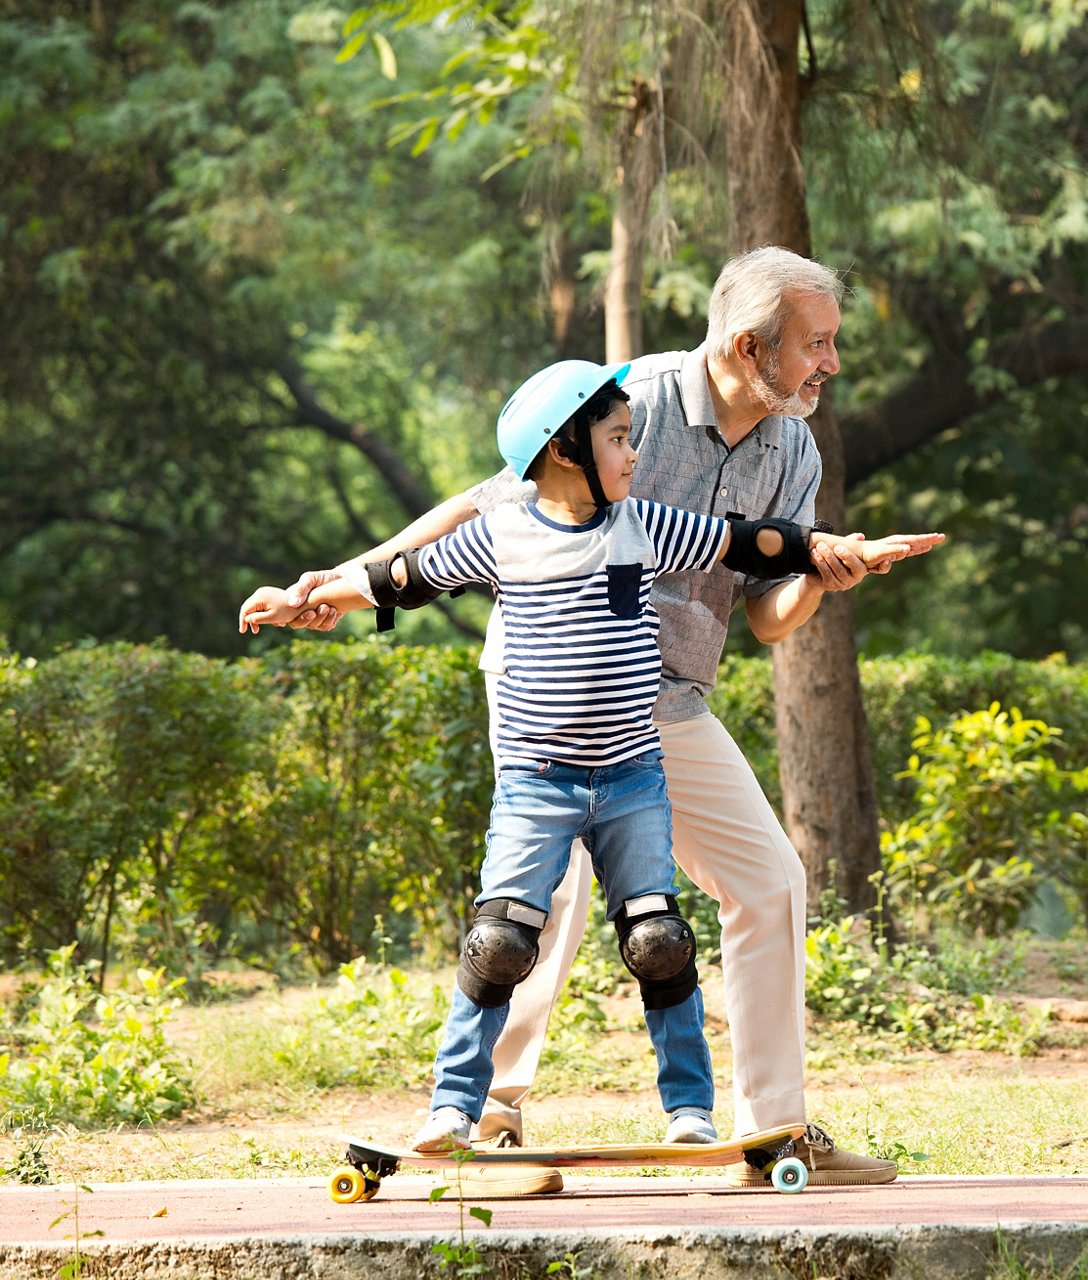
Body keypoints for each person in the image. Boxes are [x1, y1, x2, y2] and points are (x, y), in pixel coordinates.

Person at [245, 245, 945, 1187]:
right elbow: (482, 512)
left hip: (667, 699)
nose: (831, 363)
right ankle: (484, 1122)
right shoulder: (632, 404)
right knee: (549, 890)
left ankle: (774, 1134)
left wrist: (825, 573)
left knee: (769, 878)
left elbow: (772, 613)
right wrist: (339, 582)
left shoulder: (793, 449)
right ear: (750, 345)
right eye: (816, 344)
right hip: (553, 697)